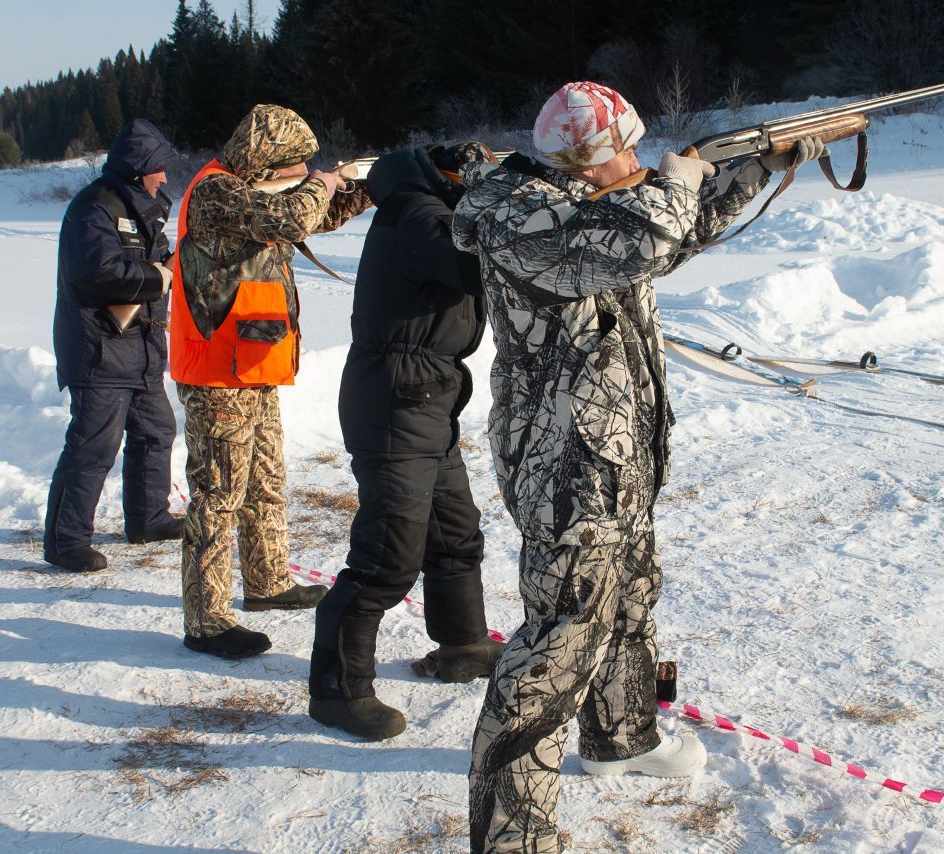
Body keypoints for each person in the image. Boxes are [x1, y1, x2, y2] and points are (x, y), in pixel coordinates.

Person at [450, 81, 824, 852]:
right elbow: (648, 233)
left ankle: (624, 738)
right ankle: (510, 837)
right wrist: (678, 179)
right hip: (568, 466)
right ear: (583, 159)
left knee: (631, 603)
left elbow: (675, 233)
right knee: (557, 644)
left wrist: (761, 164)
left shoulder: (588, 205)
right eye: (620, 148)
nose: (634, 161)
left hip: (620, 452)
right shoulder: (522, 217)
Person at [308, 143, 504, 740]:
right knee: (387, 556)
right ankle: (337, 692)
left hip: (427, 395)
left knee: (453, 533)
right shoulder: (417, 214)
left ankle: (462, 645)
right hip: (395, 400)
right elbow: (476, 268)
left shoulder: (427, 209)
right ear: (450, 177)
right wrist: (508, 208)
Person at [171, 104, 371, 659]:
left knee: (264, 482)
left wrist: (368, 187)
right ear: (267, 159)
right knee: (217, 495)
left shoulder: (252, 192)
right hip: (218, 374)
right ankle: (206, 620)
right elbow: (288, 219)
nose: (300, 176)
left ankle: (267, 584)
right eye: (293, 167)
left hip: (252, 367)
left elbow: (313, 215)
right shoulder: (217, 192)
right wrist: (323, 181)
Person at [44, 118, 183, 573]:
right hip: (99, 347)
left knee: (157, 431)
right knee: (93, 446)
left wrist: (166, 265)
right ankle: (66, 542)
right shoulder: (94, 208)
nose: (165, 177)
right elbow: (97, 272)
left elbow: (146, 261)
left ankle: (148, 519)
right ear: (138, 167)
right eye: (158, 167)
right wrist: (156, 277)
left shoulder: (145, 206)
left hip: (140, 348)